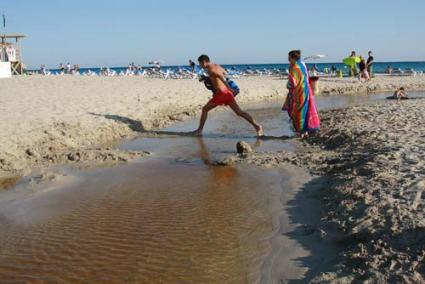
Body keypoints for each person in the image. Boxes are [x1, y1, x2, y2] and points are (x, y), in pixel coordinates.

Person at [192, 54, 263, 136]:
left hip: (222, 94)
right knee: (239, 112)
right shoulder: (217, 66)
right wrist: (210, 79)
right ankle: (257, 126)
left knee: (205, 109)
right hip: (227, 94)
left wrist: (229, 88)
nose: (200, 66)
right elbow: (225, 73)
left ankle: (199, 130)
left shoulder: (210, 69)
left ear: (204, 62)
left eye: (200, 63)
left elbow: (222, 77)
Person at [282, 50, 320, 138]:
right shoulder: (302, 64)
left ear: (292, 58)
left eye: (289, 58)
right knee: (306, 110)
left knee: (298, 112)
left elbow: (292, 83)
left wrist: (288, 86)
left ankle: (301, 132)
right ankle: (306, 130)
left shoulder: (293, 67)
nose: (288, 59)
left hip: (298, 93)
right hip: (306, 90)